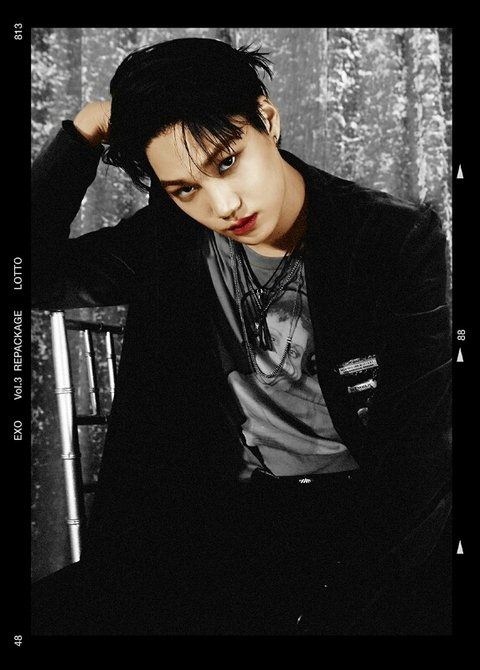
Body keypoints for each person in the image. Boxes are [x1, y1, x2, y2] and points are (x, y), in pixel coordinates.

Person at [31, 37, 452, 636]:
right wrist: (81, 135)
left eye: (227, 161)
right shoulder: (169, 240)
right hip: (217, 518)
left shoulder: (390, 239)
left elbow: (421, 458)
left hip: (359, 512)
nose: (223, 204)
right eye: (185, 189)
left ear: (267, 121)